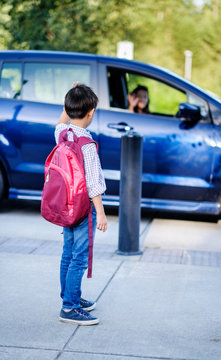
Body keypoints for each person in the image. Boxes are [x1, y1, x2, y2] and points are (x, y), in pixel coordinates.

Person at [55, 83, 107, 326]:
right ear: (91, 113)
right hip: (84, 209)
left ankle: (70, 296)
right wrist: (101, 213)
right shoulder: (87, 145)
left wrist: (68, 99)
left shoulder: (63, 135)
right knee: (79, 257)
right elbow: (93, 183)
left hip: (66, 205)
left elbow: (59, 123)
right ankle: (70, 307)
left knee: (68, 252)